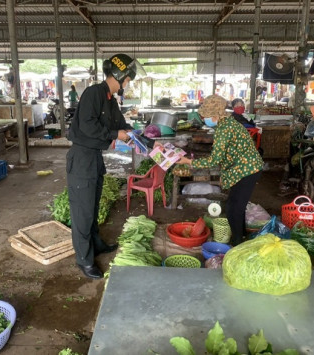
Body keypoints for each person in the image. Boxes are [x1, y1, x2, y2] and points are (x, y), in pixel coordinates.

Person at [66, 53, 156, 279]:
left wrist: (136, 134)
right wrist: (116, 134)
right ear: (120, 75)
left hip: (95, 158)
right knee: (82, 212)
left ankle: (96, 244)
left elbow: (120, 123)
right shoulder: (93, 93)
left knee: (93, 206)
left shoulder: (110, 99)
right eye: (128, 79)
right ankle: (84, 260)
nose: (128, 83)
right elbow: (87, 126)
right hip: (82, 158)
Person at [176, 95, 263, 246]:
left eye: (206, 116)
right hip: (242, 169)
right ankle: (240, 237)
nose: (203, 119)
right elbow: (227, 155)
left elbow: (214, 160)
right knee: (236, 206)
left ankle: (237, 244)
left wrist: (189, 161)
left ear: (215, 114)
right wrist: (225, 174)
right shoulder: (227, 123)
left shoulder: (224, 129)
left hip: (247, 170)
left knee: (233, 208)